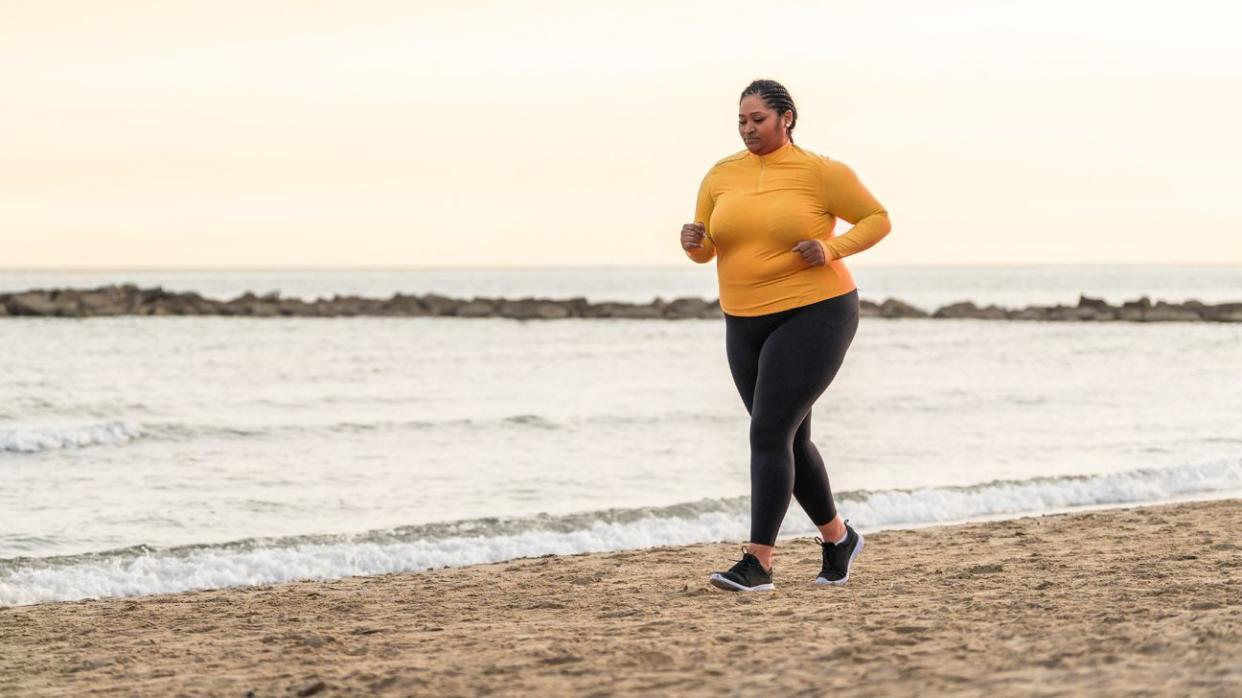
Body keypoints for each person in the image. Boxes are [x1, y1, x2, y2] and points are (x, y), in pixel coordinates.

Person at [681, 79, 892, 592]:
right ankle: (839, 539)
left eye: (757, 119)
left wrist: (832, 249)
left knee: (769, 433)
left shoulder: (821, 172)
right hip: (744, 318)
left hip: (817, 312)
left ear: (786, 118)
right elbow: (709, 245)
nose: (748, 128)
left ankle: (759, 563)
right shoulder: (720, 174)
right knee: (789, 435)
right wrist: (694, 244)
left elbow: (877, 219)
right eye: (741, 121)